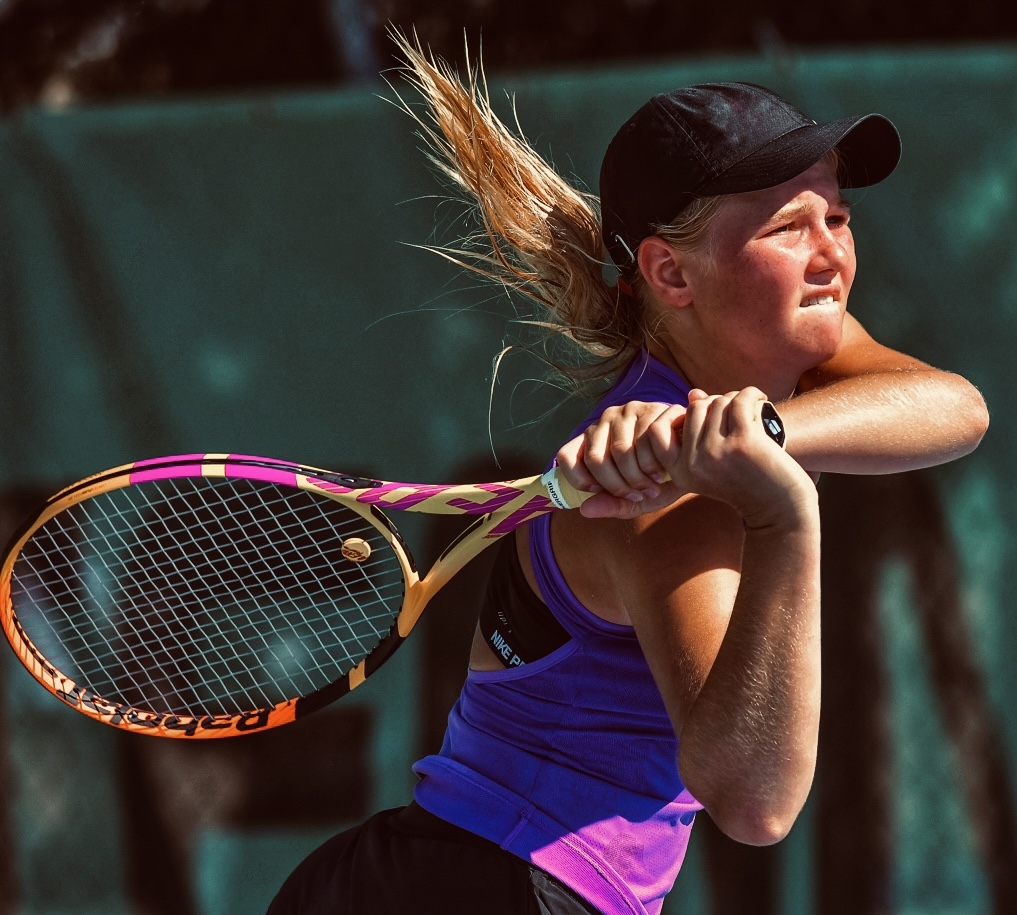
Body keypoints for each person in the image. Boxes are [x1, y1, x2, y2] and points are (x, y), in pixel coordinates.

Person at [268, 38, 988, 915]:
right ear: (670, 272)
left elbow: (955, 408)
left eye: (836, 218)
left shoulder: (770, 366)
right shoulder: (658, 509)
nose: (828, 253)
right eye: (785, 228)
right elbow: (755, 801)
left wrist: (749, 437)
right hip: (495, 885)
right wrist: (782, 515)